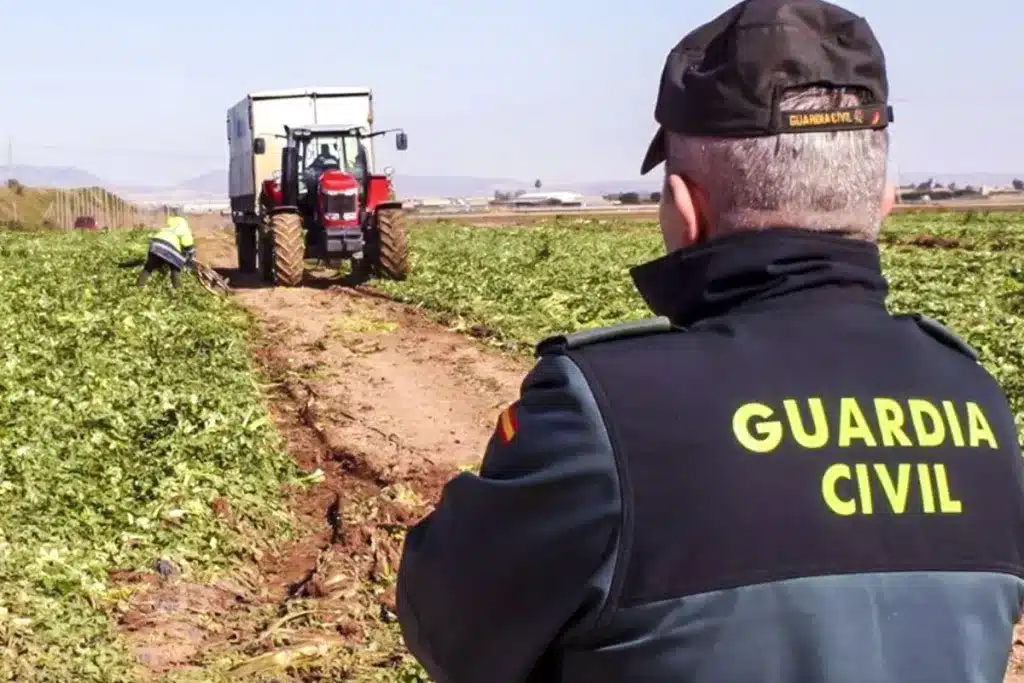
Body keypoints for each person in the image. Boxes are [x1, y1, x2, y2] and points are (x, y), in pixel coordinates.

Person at [395, 1, 1024, 683]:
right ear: (885, 202)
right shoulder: (979, 405)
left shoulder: (607, 415)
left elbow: (448, 627)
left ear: (683, 208)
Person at [137, 208, 195, 288]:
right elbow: (187, 243)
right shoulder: (183, 226)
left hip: (155, 243)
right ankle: (178, 289)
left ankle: (140, 286)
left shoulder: (169, 225)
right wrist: (190, 255)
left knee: (149, 266)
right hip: (168, 246)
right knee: (175, 268)